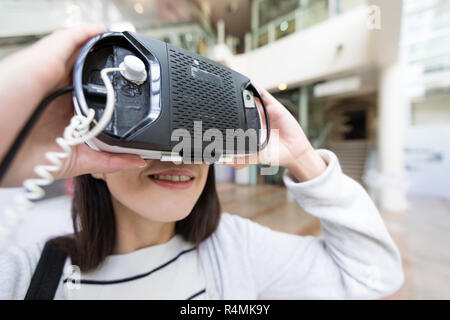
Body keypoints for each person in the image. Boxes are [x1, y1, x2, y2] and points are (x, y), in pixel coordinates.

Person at [0, 26, 404, 300]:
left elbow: (374, 277)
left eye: (197, 132)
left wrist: (302, 158)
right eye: (159, 134)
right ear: (96, 149)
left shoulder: (236, 249)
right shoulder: (29, 277)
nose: (183, 155)